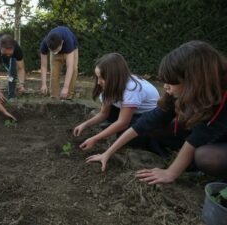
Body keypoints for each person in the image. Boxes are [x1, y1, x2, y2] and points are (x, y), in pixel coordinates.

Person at [86, 41, 227, 184]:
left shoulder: (222, 98)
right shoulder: (183, 91)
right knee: (151, 130)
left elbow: (199, 136)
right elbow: (148, 121)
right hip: (206, 134)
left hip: (221, 140)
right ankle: (185, 160)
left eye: (171, 82)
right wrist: (107, 153)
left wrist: (171, 172)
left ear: (194, 81)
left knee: (205, 157)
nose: (165, 87)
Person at [74, 53, 160, 150]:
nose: (98, 82)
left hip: (148, 115)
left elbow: (123, 123)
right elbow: (103, 113)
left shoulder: (131, 89)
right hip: (132, 110)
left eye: (102, 77)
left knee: (128, 136)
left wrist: (95, 139)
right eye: (97, 77)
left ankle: (148, 141)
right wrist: (85, 125)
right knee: (112, 118)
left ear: (113, 76)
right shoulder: (111, 85)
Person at [40, 26, 78, 99]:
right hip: (55, 46)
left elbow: (70, 67)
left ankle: (68, 96)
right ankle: (54, 97)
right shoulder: (45, 43)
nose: (55, 53)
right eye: (52, 51)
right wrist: (43, 84)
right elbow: (43, 66)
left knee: (74, 69)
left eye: (56, 50)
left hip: (72, 49)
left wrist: (65, 87)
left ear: (62, 43)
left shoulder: (68, 40)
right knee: (54, 71)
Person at [0, 33, 26, 99]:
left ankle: (11, 96)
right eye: (5, 53)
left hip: (5, 51)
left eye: (10, 53)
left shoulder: (17, 49)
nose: (7, 55)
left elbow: (21, 68)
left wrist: (22, 84)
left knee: (12, 72)